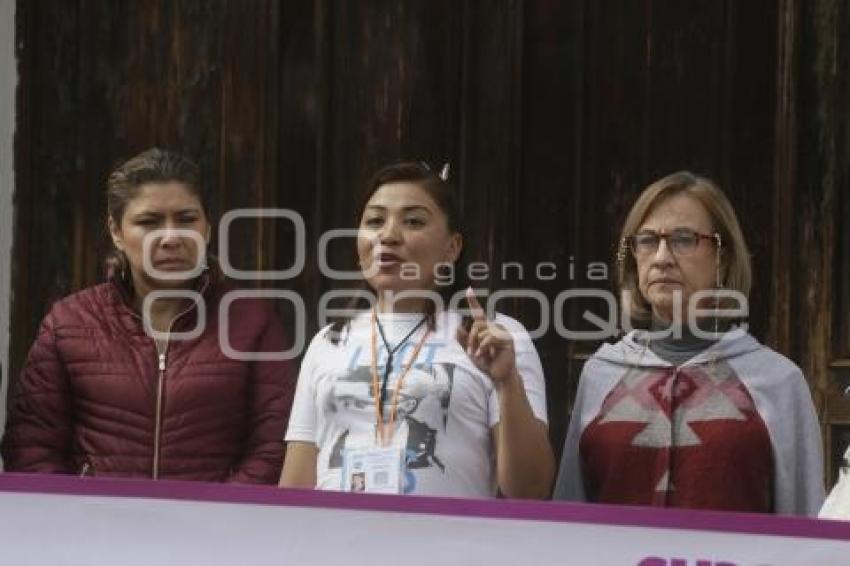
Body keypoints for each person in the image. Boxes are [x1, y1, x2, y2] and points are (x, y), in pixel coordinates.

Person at [1, 148, 295, 483]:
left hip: (216, 528)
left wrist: (217, 517)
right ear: (116, 232)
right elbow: (32, 447)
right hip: (94, 529)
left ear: (208, 229)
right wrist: (80, 516)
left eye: (186, 219)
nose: (171, 237)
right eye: (148, 222)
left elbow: (273, 446)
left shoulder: (251, 323)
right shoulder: (69, 323)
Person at [553, 171, 824, 515]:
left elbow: (807, 528)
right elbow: (569, 519)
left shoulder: (779, 381)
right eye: (648, 240)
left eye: (683, 239)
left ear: (722, 258)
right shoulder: (600, 375)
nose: (662, 257)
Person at [279, 161, 554, 498]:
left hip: (447, 547)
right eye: (375, 221)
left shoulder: (496, 338)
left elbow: (531, 491)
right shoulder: (328, 342)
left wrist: (507, 382)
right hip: (337, 545)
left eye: (413, 221)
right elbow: (294, 489)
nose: (389, 235)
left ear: (452, 248)